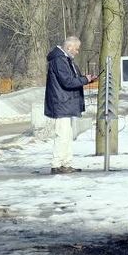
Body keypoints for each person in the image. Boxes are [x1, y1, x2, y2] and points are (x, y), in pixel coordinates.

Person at [44, 35, 96, 174]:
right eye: (76, 49)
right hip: (62, 103)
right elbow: (67, 82)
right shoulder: (59, 60)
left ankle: (65, 163)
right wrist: (85, 79)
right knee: (62, 135)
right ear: (69, 47)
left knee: (67, 135)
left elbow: (72, 79)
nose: (77, 52)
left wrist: (86, 79)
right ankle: (57, 164)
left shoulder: (65, 59)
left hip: (65, 102)